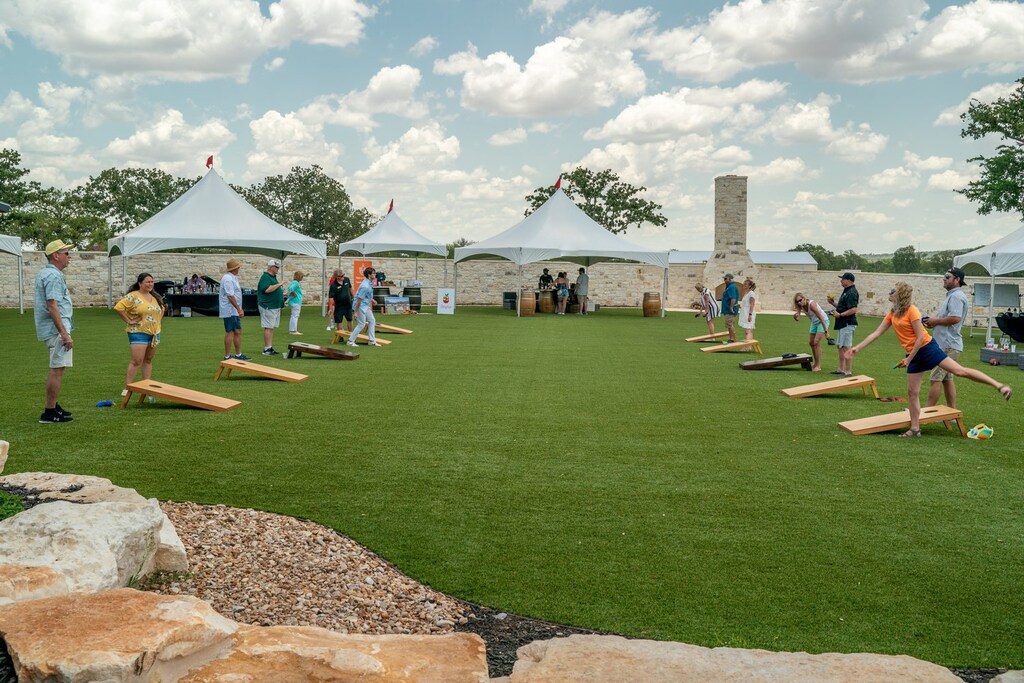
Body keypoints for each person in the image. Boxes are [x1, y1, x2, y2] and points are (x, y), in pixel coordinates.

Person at [847, 281, 1010, 437]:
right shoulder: (893, 313)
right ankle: (915, 429)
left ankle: (999, 386)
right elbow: (876, 333)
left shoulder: (912, 311)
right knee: (912, 392)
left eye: (892, 291)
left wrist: (909, 359)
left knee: (959, 371)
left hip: (927, 349)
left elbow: (920, 338)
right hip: (913, 354)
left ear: (900, 294)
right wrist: (857, 348)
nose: (889, 293)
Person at [34, 239, 75, 423]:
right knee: (57, 369)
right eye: (66, 253)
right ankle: (49, 412)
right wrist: (64, 334)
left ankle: (53, 406)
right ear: (56, 256)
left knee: (59, 368)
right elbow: (52, 305)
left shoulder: (47, 273)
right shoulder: (53, 276)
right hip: (56, 329)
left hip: (53, 328)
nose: (69, 257)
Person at [924, 268, 970, 409]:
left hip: (947, 345)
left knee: (936, 378)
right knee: (947, 379)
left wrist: (935, 321)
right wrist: (933, 323)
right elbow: (949, 318)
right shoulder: (953, 296)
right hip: (949, 344)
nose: (943, 278)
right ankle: (951, 413)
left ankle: (925, 413)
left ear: (957, 280)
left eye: (947, 276)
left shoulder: (956, 296)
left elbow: (955, 318)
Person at [114, 273, 164, 396]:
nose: (150, 284)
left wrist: (156, 323)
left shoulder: (155, 297)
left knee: (148, 360)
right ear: (140, 283)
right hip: (138, 332)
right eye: (147, 282)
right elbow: (119, 307)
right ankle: (128, 387)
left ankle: (147, 387)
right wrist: (129, 320)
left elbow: (160, 310)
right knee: (137, 360)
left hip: (154, 333)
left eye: (152, 282)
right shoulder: (133, 296)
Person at [828, 272, 860, 376]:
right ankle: (840, 369)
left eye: (842, 279)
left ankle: (848, 371)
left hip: (847, 323)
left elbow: (854, 309)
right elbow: (843, 307)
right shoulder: (847, 291)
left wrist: (840, 315)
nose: (841, 281)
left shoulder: (851, 292)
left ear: (849, 281)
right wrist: (833, 303)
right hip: (842, 324)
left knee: (846, 347)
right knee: (840, 347)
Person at [219, 258, 249, 360]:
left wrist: (238, 309)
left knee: (237, 331)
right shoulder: (228, 279)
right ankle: (227, 356)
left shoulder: (233, 278)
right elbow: (230, 296)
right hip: (229, 310)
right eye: (238, 267)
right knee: (230, 331)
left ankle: (238, 354)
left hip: (234, 310)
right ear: (234, 268)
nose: (239, 269)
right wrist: (239, 309)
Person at [793, 292, 830, 372]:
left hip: (822, 321)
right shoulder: (800, 306)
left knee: (816, 342)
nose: (799, 302)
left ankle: (818, 365)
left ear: (804, 298)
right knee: (811, 343)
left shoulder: (812, 305)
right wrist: (795, 317)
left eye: (800, 300)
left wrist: (826, 331)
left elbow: (821, 318)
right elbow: (798, 318)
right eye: (797, 302)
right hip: (814, 322)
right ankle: (815, 363)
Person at [257, 259, 286, 355]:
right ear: (271, 267)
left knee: (271, 327)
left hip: (274, 306)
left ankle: (269, 347)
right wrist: (279, 284)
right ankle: (267, 349)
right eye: (276, 267)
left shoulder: (272, 277)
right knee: (268, 327)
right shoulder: (265, 277)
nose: (278, 269)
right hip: (268, 306)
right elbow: (267, 289)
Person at [350, 266, 380, 346]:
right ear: (369, 275)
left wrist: (372, 300)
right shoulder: (365, 286)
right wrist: (355, 312)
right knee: (361, 324)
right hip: (360, 306)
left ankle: (371, 341)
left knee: (372, 320)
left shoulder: (369, 282)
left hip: (365, 305)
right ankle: (350, 341)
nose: (375, 274)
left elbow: (366, 295)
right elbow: (359, 300)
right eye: (373, 273)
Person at [328, 268, 354, 333]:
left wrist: (354, 297)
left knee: (350, 319)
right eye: (341, 276)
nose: (343, 277)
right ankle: (340, 336)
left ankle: (351, 335)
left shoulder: (347, 280)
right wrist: (330, 308)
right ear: (337, 277)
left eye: (343, 275)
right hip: (339, 306)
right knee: (339, 321)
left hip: (348, 305)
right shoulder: (333, 285)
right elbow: (331, 298)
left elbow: (351, 289)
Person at [720, 274, 739, 342]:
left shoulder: (732, 287)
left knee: (730, 324)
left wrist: (731, 307)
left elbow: (733, 298)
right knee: (729, 324)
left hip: (729, 309)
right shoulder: (729, 286)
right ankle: (731, 338)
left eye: (725, 279)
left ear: (729, 279)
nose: (724, 280)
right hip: (727, 309)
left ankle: (732, 339)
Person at [286, 270, 305, 335]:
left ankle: (292, 330)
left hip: (293, 301)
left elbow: (290, 288)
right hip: (296, 301)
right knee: (295, 316)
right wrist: (293, 293)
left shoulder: (293, 282)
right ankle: (293, 330)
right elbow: (290, 289)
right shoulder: (296, 283)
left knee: (293, 316)